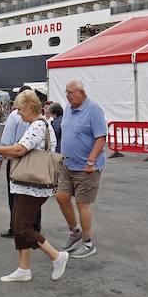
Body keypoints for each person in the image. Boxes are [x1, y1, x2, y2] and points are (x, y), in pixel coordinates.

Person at [0, 90, 69, 282]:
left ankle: (56, 256)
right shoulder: (40, 124)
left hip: (32, 185)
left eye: (19, 109)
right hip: (27, 184)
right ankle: (23, 268)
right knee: (20, 225)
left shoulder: (37, 126)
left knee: (21, 226)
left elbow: (19, 149)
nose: (17, 113)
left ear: (29, 107)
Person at [57, 79, 107, 259]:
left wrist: (91, 161)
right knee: (61, 197)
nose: (68, 95)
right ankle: (74, 231)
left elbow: (101, 138)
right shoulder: (68, 109)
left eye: (71, 92)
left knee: (82, 204)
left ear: (82, 93)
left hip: (86, 168)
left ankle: (88, 243)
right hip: (67, 164)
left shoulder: (93, 109)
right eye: (66, 92)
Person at [0, 86, 37, 239]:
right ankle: (34, 225)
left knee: (14, 194)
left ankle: (15, 226)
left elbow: (7, 139)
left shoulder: (14, 116)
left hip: (16, 158)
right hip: (34, 159)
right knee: (33, 191)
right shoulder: (40, 117)